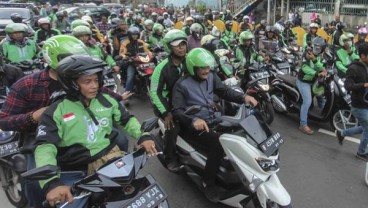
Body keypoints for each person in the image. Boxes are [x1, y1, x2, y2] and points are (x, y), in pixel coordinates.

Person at [0, 35, 130, 207]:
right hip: (41, 136)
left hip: (83, 128)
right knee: (34, 180)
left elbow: (103, 92)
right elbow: (4, 120)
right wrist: (33, 117)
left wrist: (120, 97)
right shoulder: (27, 85)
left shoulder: (82, 76)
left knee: (121, 139)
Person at [34, 54, 157, 207]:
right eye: (87, 81)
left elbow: (127, 120)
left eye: (96, 80)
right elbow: (45, 146)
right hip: (78, 170)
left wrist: (143, 135)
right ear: (71, 84)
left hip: (113, 159)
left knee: (144, 196)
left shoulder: (106, 99)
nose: (94, 86)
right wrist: (51, 182)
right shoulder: (56, 111)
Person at [171, 48, 257, 201]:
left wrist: (244, 97)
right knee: (218, 143)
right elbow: (177, 110)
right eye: (202, 68)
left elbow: (224, 91)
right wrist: (193, 120)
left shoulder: (212, 76)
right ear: (193, 67)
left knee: (242, 132)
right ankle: (208, 183)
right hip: (195, 126)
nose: (206, 70)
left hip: (215, 119)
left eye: (208, 67)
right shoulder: (181, 85)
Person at [149, 29, 188, 172]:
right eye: (177, 45)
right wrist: (166, 113)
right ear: (169, 47)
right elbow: (154, 92)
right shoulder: (161, 68)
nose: (181, 47)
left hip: (185, 101)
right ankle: (169, 158)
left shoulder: (188, 62)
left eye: (183, 44)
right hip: (167, 105)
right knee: (173, 127)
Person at [297, 37, 327, 135]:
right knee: (308, 101)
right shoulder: (307, 53)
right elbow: (305, 67)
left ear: (322, 49)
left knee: (321, 97)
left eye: (319, 48)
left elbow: (320, 67)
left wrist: (323, 70)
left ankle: (324, 116)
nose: (316, 50)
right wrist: (316, 73)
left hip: (313, 81)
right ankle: (303, 124)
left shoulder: (320, 56)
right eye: (315, 47)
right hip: (303, 81)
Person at [344, 42, 368, 161]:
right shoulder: (353, 68)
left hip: (366, 103)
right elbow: (348, 86)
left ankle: (342, 133)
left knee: (365, 127)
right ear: (363, 56)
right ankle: (361, 152)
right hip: (358, 105)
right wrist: (363, 85)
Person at [120, 27, 152, 94]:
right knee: (130, 77)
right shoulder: (125, 43)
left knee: (151, 74)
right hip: (132, 63)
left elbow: (147, 51)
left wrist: (151, 54)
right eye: (133, 35)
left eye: (136, 34)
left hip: (143, 62)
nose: (135, 36)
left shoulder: (141, 42)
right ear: (129, 35)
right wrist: (126, 57)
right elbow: (122, 53)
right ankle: (126, 94)